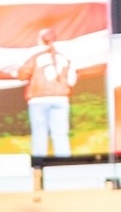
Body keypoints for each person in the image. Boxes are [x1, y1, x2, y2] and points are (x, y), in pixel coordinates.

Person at [16, 28, 77, 158]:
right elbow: (72, 80)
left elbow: (22, 75)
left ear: (40, 40)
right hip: (60, 99)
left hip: (39, 99)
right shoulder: (64, 58)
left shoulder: (34, 57)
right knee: (60, 133)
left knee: (39, 133)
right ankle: (64, 164)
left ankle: (39, 164)